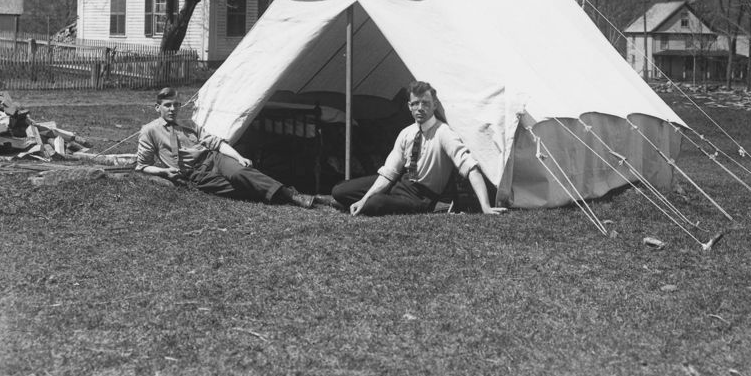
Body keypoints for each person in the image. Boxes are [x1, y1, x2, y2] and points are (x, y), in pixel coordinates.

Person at [331, 80, 506, 216]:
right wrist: (364, 198)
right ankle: (367, 201)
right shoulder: (406, 133)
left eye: (425, 103)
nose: (420, 108)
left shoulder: (443, 132)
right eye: (415, 104)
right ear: (409, 106)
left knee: (373, 205)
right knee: (340, 191)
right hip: (401, 183)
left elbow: (471, 168)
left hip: (421, 196)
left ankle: (377, 202)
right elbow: (389, 173)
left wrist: (485, 206)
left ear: (434, 105)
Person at [135, 87, 316, 208]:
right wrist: (164, 172)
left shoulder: (188, 123)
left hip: (213, 158)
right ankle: (288, 193)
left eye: (176, 105)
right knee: (237, 189)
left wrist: (238, 157)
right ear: (157, 107)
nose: (173, 109)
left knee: (240, 173)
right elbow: (142, 166)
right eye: (167, 105)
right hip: (194, 174)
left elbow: (216, 143)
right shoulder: (149, 131)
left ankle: (292, 196)